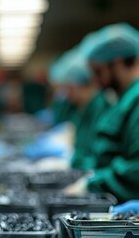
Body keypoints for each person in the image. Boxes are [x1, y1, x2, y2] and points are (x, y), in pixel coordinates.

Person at [64, 23, 139, 203]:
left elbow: (136, 169)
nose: (96, 82)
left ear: (119, 62)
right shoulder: (123, 100)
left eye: (99, 72)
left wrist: (93, 184)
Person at [53, 47, 112, 171]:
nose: (67, 94)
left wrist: (79, 163)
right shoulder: (82, 109)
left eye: (70, 88)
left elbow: (101, 156)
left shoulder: (100, 107)